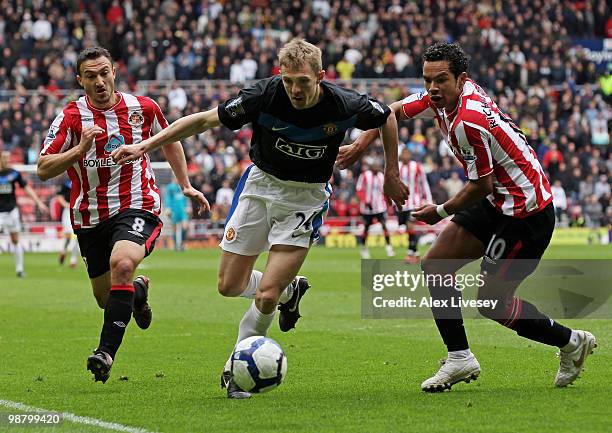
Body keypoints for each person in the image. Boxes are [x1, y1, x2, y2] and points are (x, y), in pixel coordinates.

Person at [112, 38, 408, 399]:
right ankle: (291, 291)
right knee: (228, 285)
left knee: (265, 295)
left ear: (321, 76)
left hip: (306, 198)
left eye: (303, 81)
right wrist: (145, 145)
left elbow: (387, 116)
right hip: (260, 188)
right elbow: (203, 121)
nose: (295, 90)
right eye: (288, 81)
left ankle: (236, 370)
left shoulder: (343, 103)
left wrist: (390, 172)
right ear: (279, 76)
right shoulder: (263, 96)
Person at [338, 42, 596, 391]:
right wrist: (364, 149)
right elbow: (389, 111)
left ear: (462, 79)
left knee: (493, 303)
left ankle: (570, 342)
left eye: (441, 79)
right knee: (435, 265)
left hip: (526, 212)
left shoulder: (467, 121)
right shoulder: (442, 98)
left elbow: (480, 185)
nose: (432, 88)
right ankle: (459, 357)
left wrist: (440, 212)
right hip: (496, 200)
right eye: (427, 79)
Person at [37, 47, 209, 383]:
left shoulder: (142, 108)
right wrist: (79, 150)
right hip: (90, 217)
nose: (99, 81)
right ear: (80, 80)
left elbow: (170, 138)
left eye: (104, 73)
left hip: (137, 203)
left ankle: (105, 353)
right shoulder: (71, 117)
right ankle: (138, 293)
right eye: (90, 76)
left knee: (124, 264)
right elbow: (43, 168)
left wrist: (185, 185)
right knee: (106, 298)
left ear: (114, 72)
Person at [0, 150, 49, 277]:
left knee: (15, 240)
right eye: (4, 158)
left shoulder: (13, 173)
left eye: (8, 157)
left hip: (11, 211)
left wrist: (38, 202)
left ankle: (19, 269)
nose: (6, 160)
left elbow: (26, 188)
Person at [397, 148, 432, 263]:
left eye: (407, 153)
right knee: (407, 228)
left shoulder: (417, 167)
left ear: (410, 155)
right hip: (402, 203)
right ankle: (415, 254)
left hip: (414, 202)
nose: (405, 156)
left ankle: (409, 254)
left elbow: (424, 183)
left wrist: (428, 199)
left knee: (410, 225)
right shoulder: (397, 167)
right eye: (403, 154)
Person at [356, 160, 395, 259]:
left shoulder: (381, 176)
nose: (377, 168)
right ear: (371, 167)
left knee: (384, 226)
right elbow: (359, 189)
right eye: (375, 166)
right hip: (367, 208)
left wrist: (388, 203)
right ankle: (364, 249)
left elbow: (385, 191)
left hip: (379, 207)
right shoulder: (364, 175)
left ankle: (389, 247)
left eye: (378, 166)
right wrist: (365, 201)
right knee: (366, 228)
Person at [56, 177, 80, 267]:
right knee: (68, 235)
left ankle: (73, 260)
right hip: (67, 211)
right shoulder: (66, 183)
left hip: (78, 210)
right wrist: (66, 204)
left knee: (77, 236)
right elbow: (59, 196)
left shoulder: (81, 180)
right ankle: (64, 250)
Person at [163, 174, 190, 251]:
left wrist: (188, 207)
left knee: (185, 227)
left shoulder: (183, 186)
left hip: (183, 210)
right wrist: (168, 208)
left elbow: (186, 198)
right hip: (174, 210)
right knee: (174, 228)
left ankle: (183, 244)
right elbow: (168, 198)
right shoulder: (170, 187)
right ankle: (175, 245)